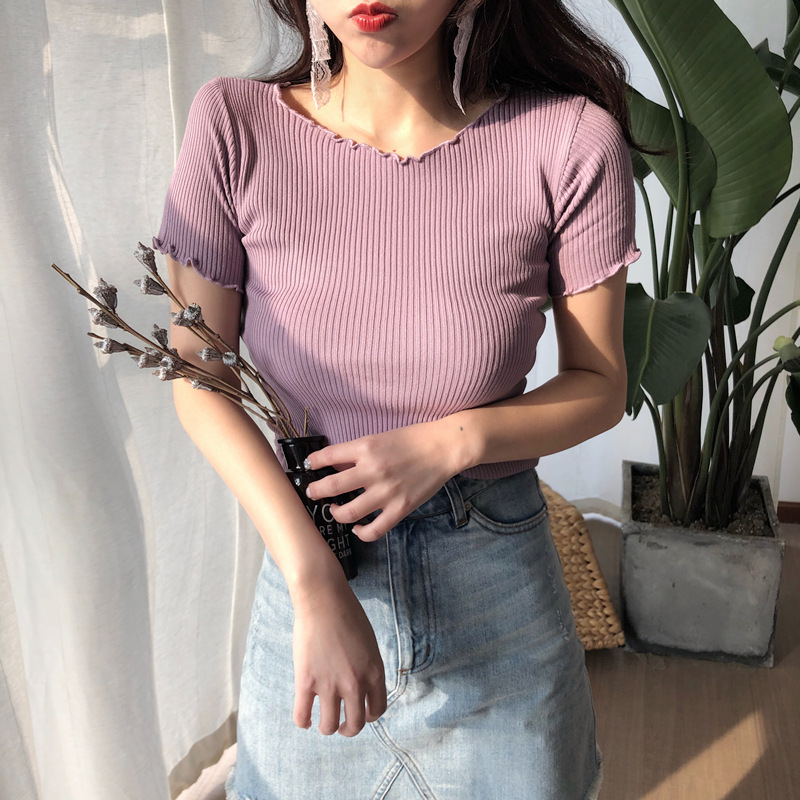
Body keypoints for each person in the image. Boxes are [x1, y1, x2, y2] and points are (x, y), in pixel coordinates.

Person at [153, 0, 641, 797]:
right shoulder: (235, 126)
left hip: (499, 601)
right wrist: (311, 578)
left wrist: (449, 442)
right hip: (314, 586)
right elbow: (199, 375)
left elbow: (600, 385)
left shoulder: (567, 139)